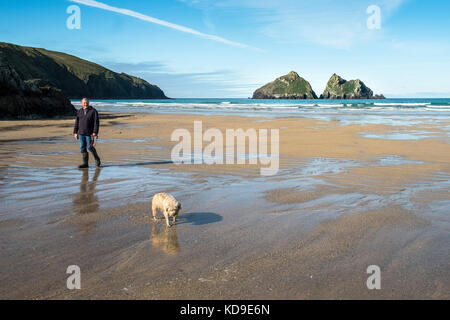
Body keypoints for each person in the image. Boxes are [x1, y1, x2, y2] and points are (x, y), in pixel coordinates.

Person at [73, 98, 101, 168]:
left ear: (89, 103)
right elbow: (76, 122)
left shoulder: (93, 111)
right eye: (84, 103)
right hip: (81, 133)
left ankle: (97, 159)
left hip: (90, 133)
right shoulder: (79, 111)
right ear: (81, 103)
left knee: (90, 147)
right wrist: (75, 132)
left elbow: (96, 122)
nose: (85, 104)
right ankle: (85, 163)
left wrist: (95, 132)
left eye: (87, 102)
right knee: (82, 147)